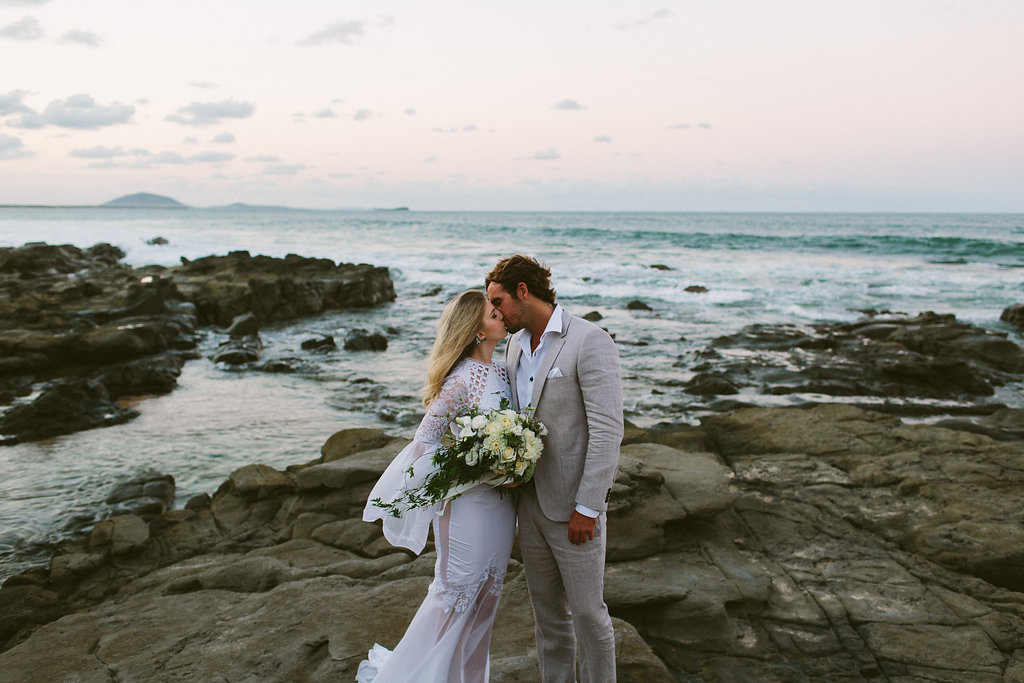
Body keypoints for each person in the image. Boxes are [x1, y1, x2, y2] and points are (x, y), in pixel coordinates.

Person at [357, 289, 515, 683]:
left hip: (501, 506)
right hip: (466, 509)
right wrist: (470, 468)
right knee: (454, 599)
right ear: (476, 330)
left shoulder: (503, 371)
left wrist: (513, 459)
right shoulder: (460, 381)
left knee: (486, 598)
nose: (503, 315)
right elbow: (424, 444)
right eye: (494, 313)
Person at [485, 255, 623, 683]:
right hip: (530, 506)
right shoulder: (513, 343)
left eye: (498, 301)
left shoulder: (589, 340)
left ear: (523, 291)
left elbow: (607, 431)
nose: (495, 312)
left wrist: (589, 506)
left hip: (574, 510)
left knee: (587, 615)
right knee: (548, 618)